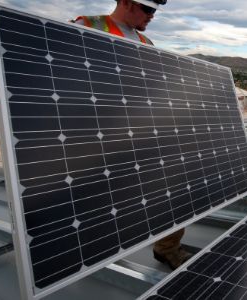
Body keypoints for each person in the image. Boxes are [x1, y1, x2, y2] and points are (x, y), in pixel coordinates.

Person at [73, 0, 192, 271]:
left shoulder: (145, 42)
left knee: (176, 186)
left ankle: (168, 248)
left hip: (138, 131)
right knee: (100, 201)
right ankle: (84, 253)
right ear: (126, 2)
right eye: (147, 9)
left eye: (154, 11)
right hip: (99, 135)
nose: (152, 16)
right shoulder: (88, 26)